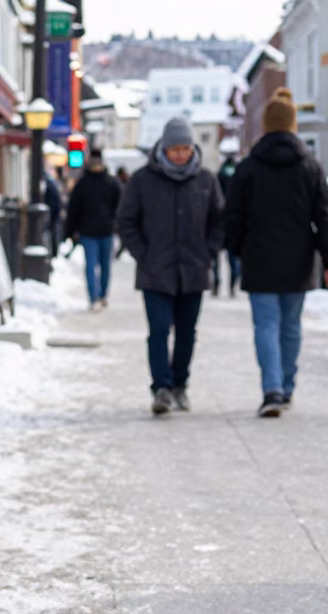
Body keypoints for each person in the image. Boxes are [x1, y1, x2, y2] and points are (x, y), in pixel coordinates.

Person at [224, 87, 328, 417]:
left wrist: (237, 249)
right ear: (292, 125)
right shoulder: (310, 167)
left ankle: (272, 389)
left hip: (258, 256)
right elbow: (324, 218)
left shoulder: (248, 168)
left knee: (265, 326)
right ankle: (286, 387)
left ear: (265, 124)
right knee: (290, 326)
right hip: (298, 257)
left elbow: (233, 216)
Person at [116, 117, 224, 415]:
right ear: (164, 148)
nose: (180, 154)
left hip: (193, 270)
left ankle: (180, 385)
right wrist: (143, 254)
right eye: (174, 149)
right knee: (160, 330)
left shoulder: (206, 181)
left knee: (187, 333)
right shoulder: (142, 181)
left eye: (185, 148)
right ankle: (160, 388)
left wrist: (208, 253)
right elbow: (126, 222)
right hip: (156, 271)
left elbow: (219, 221)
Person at [64, 149, 121, 310]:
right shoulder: (110, 182)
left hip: (92, 230)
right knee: (102, 265)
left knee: (94, 265)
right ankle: (99, 295)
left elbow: (73, 209)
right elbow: (120, 206)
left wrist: (69, 231)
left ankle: (96, 296)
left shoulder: (83, 183)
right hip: (100, 229)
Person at [214, 154, 241, 296]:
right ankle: (232, 286)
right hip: (232, 224)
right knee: (233, 259)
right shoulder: (239, 177)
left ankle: (216, 285)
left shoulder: (218, 176)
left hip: (219, 221)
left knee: (216, 259)